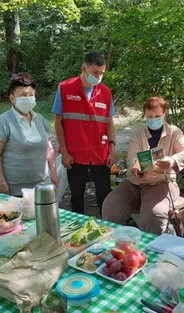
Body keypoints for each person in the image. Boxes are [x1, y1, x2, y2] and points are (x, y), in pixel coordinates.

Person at [102, 97, 184, 235]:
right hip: (136, 181)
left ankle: (153, 249)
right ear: (144, 115)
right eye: (150, 116)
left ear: (164, 114)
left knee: (154, 215)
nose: (153, 119)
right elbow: (132, 158)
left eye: (157, 116)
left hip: (162, 182)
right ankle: (117, 244)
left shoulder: (174, 132)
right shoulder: (137, 133)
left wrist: (172, 160)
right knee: (111, 207)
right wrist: (136, 167)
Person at [52, 51, 116, 216]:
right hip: (75, 154)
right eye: (95, 72)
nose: (99, 77)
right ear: (84, 68)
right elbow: (58, 122)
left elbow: (109, 122)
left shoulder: (105, 92)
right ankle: (77, 230)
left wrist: (112, 149)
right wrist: (64, 153)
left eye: (102, 73)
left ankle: (106, 227)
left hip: (100, 153)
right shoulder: (65, 88)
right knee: (76, 195)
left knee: (104, 195)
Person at [0, 72, 58, 196]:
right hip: (15, 190)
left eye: (31, 95)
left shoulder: (41, 120)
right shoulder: (3, 122)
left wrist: (53, 174)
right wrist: (1, 182)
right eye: (23, 95)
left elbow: (49, 149)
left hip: (42, 187)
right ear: (12, 98)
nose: (28, 98)